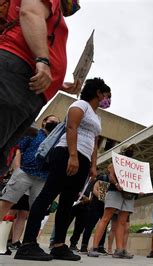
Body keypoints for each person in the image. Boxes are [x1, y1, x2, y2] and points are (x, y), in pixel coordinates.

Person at [14, 77, 110, 261]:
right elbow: (71, 126)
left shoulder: (97, 117)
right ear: (99, 92)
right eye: (107, 95)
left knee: (67, 202)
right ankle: (27, 244)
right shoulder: (80, 104)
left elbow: (94, 142)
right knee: (48, 194)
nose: (108, 99)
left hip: (83, 157)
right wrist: (72, 155)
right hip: (66, 153)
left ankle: (58, 245)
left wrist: (92, 165)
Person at [0, 0, 82, 175]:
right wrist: (43, 60)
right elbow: (30, 13)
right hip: (17, 73)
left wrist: (58, 83)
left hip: (26, 83)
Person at [0, 115, 60, 220]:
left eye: (57, 123)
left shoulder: (57, 141)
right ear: (44, 122)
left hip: (42, 178)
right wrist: (17, 169)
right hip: (24, 172)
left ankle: (27, 236)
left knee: (36, 210)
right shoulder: (34, 134)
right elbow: (19, 149)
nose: (54, 124)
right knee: (7, 202)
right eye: (52, 121)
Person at [88, 144, 138, 259]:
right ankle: (94, 247)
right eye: (129, 149)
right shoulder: (116, 161)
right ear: (123, 151)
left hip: (128, 194)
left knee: (122, 222)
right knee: (105, 218)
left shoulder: (135, 165)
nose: (131, 150)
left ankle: (119, 250)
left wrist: (139, 189)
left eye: (133, 149)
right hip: (115, 192)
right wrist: (116, 184)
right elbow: (110, 175)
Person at [79, 173, 109, 254]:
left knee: (104, 227)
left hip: (106, 206)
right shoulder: (104, 177)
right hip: (96, 205)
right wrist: (104, 199)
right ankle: (84, 246)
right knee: (90, 225)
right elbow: (95, 190)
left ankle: (100, 246)